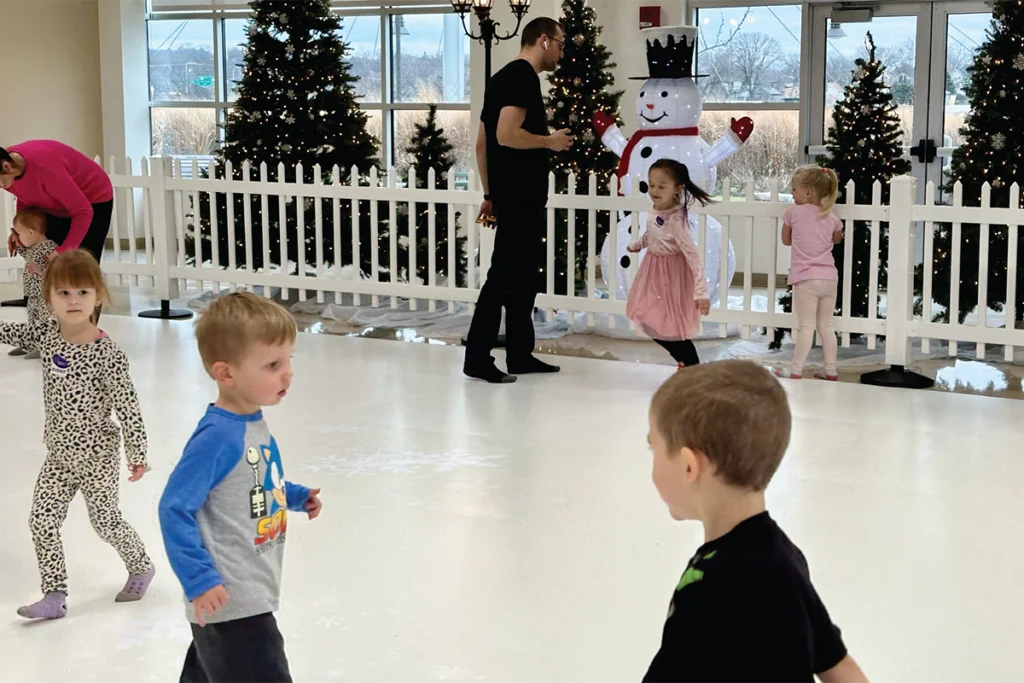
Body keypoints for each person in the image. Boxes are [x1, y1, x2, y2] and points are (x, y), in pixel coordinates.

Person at [643, 360, 870, 683]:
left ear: (688, 466)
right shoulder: (783, 559)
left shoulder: (719, 584)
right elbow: (838, 664)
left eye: (653, 449)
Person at [159, 292, 323, 682]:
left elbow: (255, 479)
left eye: (288, 361)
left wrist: (294, 496)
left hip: (243, 591)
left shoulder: (250, 421)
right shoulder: (217, 436)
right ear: (226, 373)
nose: (287, 374)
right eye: (272, 365)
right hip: (231, 598)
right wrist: (199, 579)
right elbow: (174, 508)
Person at [0, 250, 155, 620]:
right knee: (42, 520)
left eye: (83, 293)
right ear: (48, 298)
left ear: (97, 296)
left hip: (98, 456)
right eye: (64, 293)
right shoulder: (47, 335)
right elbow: (10, 331)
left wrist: (137, 453)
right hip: (58, 455)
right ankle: (54, 594)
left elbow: (128, 406)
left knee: (105, 522)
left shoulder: (107, 354)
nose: (73, 301)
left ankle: (141, 565)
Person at [463, 17, 575, 384]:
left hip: (510, 196)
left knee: (524, 277)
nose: (561, 50)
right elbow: (506, 135)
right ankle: (477, 358)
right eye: (559, 42)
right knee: (502, 277)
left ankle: (519, 354)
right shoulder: (522, 77)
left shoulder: (499, 79)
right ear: (543, 40)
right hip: (521, 198)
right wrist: (549, 141)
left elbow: (483, 144)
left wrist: (489, 194)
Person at [1, 141, 115, 319]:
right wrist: (19, 230)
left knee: (79, 266)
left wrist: (64, 250)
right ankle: (50, 334)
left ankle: (84, 335)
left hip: (92, 200)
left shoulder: (46, 169)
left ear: (6, 166)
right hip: (55, 203)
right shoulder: (10, 171)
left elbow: (83, 211)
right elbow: (26, 194)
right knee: (46, 261)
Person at [625, 159, 712, 368]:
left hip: (672, 276)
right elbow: (653, 231)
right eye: (651, 184)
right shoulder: (654, 207)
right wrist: (639, 244)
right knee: (644, 316)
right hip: (653, 270)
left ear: (677, 189)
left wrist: (701, 292)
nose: (654, 190)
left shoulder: (676, 220)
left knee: (672, 326)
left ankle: (692, 366)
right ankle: (685, 361)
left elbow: (693, 256)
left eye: (661, 186)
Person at [779, 165, 843, 381]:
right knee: (826, 325)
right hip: (829, 278)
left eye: (794, 189)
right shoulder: (832, 216)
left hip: (805, 278)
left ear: (807, 192)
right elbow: (836, 240)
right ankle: (831, 370)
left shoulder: (792, 213)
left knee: (806, 326)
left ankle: (796, 370)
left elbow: (786, 241)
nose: (792, 193)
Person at [9, 209, 57, 358]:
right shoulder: (32, 248)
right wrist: (18, 243)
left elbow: (56, 270)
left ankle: (45, 346)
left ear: (31, 232)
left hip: (45, 294)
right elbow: (26, 254)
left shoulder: (50, 248)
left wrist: (40, 270)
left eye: (20, 234)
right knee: (32, 319)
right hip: (33, 294)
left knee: (45, 320)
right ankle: (29, 344)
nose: (19, 237)